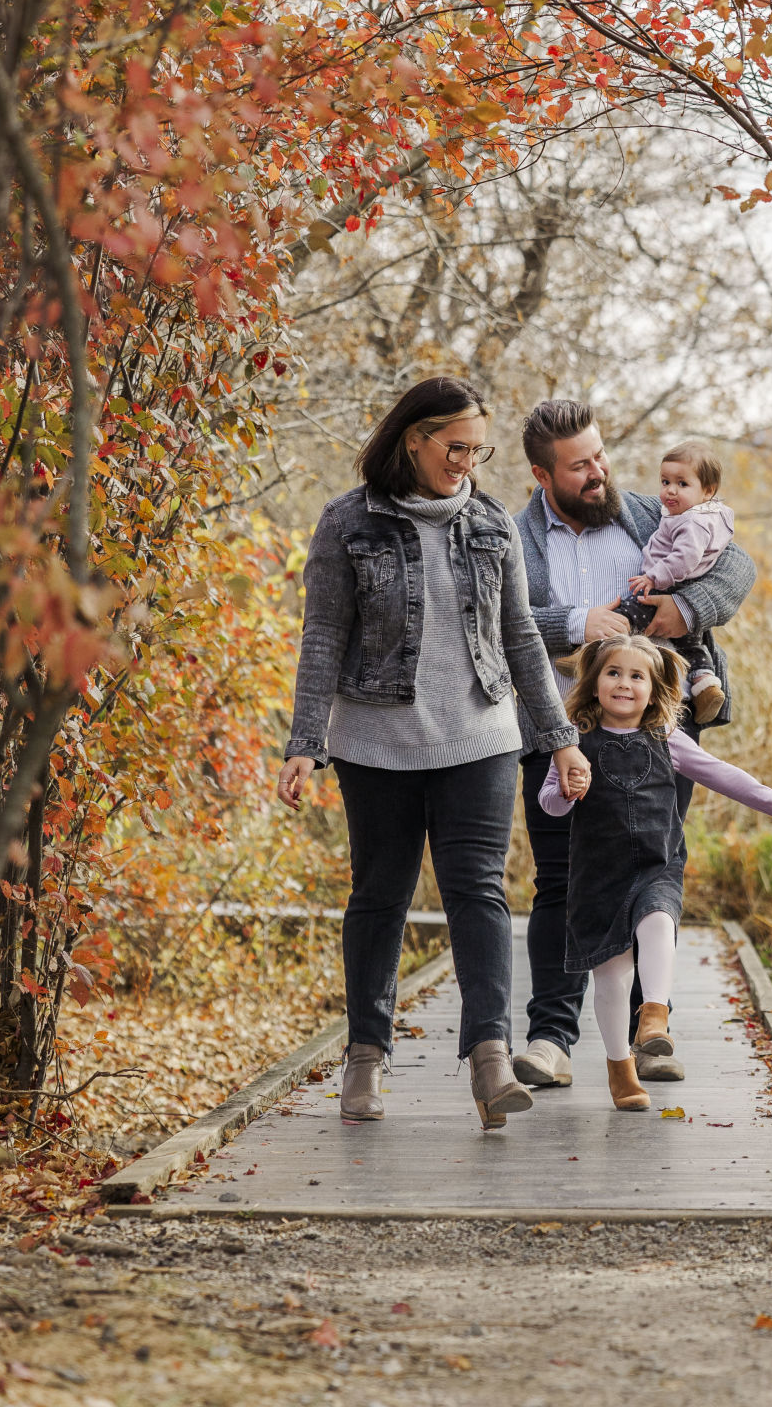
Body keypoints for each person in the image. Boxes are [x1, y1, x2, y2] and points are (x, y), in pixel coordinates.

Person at [277, 376, 586, 1131]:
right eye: (456, 447)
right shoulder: (347, 522)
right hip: (376, 740)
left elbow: (520, 637)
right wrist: (304, 741)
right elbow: (322, 637)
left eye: (478, 449)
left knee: (479, 893)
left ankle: (489, 1058)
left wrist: (562, 740)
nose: (468, 463)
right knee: (379, 895)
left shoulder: (490, 523)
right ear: (413, 438)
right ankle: (365, 1058)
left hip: (480, 734)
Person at [511, 399, 757, 1092]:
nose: (598, 472)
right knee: (561, 881)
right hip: (557, 731)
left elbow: (737, 568)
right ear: (542, 473)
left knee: (653, 873)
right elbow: (498, 619)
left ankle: (653, 1030)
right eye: (580, 465)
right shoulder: (513, 536)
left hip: (655, 734)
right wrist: (570, 622)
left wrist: (689, 609)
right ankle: (552, 1039)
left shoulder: (652, 513)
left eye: (600, 455)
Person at [539, 637, 772, 1110]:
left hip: (657, 862)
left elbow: (722, 773)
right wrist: (568, 790)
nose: (623, 684)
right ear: (593, 682)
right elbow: (548, 803)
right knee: (611, 976)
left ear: (654, 689)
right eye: (613, 673)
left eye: (636, 676)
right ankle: (620, 1069)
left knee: (659, 922)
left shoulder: (667, 737)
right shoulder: (574, 738)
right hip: (598, 874)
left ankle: (653, 1015)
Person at [625, 439, 734, 725]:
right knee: (690, 644)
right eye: (665, 481)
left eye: (682, 484)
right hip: (686, 591)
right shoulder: (704, 515)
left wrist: (653, 577)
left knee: (630, 610)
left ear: (707, 491)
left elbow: (684, 558)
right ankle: (706, 684)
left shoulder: (692, 522)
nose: (670, 490)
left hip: (671, 585)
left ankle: (594, 648)